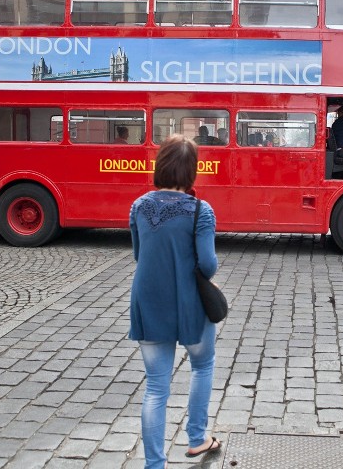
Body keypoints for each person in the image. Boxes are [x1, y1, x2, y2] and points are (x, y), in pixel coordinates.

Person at [128, 135, 222, 468]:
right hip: (190, 304)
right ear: (191, 171)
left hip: (149, 301)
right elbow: (208, 265)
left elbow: (140, 255)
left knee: (155, 387)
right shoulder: (201, 210)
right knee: (202, 365)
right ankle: (197, 438)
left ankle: (154, 464)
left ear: (160, 166)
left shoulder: (139, 206)